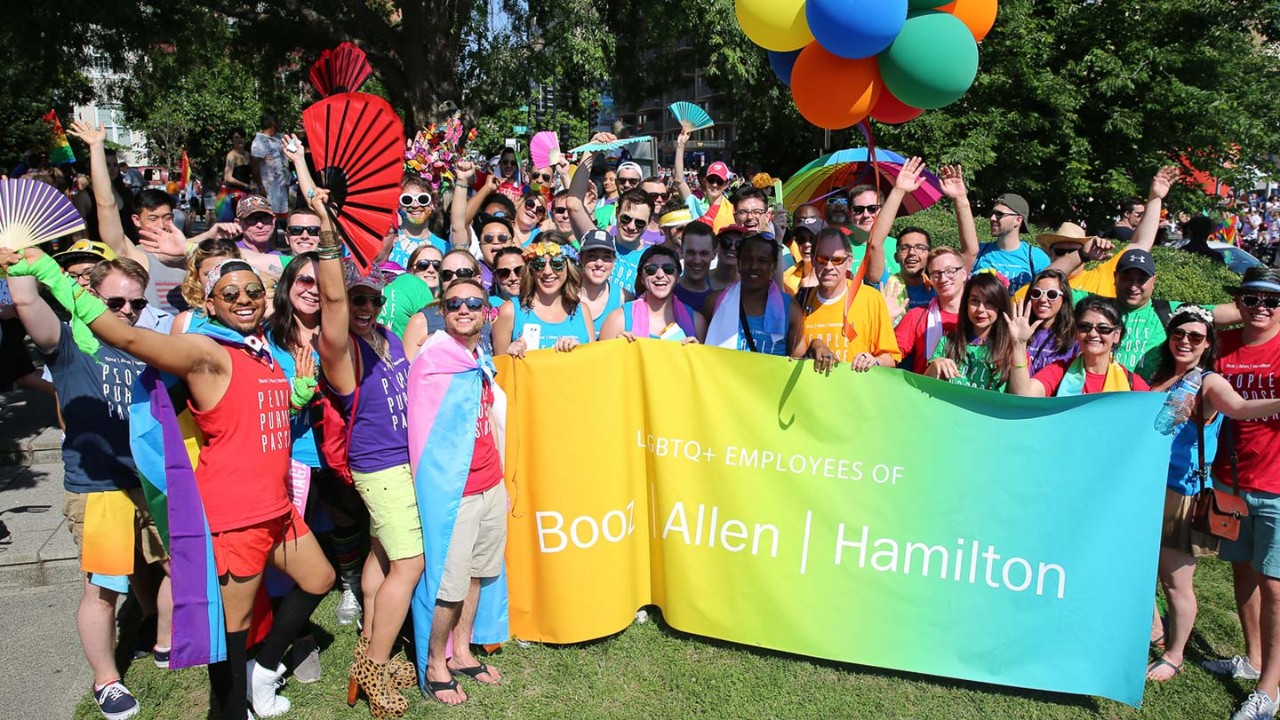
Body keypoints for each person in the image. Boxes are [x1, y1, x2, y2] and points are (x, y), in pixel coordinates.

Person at [8, 249, 334, 719]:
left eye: (252, 291)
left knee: (318, 578)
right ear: (211, 305)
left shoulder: (258, 352)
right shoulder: (206, 351)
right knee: (231, 633)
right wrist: (47, 274)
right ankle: (229, 711)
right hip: (237, 515)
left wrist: (297, 393)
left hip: (277, 507)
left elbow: (247, 419)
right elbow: (121, 334)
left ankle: (263, 672)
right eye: (230, 294)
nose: (244, 299)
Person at [6, 253, 172, 720]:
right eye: (115, 301)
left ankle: (164, 642)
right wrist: (21, 260)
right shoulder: (67, 342)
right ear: (91, 296)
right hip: (98, 486)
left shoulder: (145, 344)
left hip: (150, 480)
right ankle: (107, 681)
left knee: (179, 567)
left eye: (136, 304)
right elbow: (25, 300)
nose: (125, 311)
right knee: (102, 589)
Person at [1144, 306, 1280, 684]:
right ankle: (1154, 634)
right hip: (1144, 487)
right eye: (1178, 334)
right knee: (1143, 570)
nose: (1185, 341)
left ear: (1208, 344)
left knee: (1175, 581)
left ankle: (1174, 655)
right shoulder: (1160, 375)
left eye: (1196, 336)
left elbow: (1239, 409)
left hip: (1180, 495)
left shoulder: (1208, 382)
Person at [406, 278, 509, 706]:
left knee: (478, 574)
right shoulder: (434, 358)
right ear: (442, 311)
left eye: (472, 303)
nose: (463, 309)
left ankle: (463, 651)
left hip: (491, 483)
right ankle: (434, 662)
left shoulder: (478, 356)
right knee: (449, 583)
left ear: (486, 312)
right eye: (454, 304)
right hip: (456, 492)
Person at [1201, 268, 1280, 720]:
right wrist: (1238, 311)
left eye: (1272, 301)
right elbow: (1182, 313)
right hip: (1231, 478)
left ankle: (1269, 690)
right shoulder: (1224, 346)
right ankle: (1251, 661)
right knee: (1243, 570)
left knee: (1274, 584)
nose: (1260, 308)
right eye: (1251, 299)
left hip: (1276, 483)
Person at [791, 228, 901, 372]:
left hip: (854, 391)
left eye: (837, 260)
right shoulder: (800, 300)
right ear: (812, 260)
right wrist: (815, 345)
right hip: (811, 392)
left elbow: (891, 357)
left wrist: (874, 361)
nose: (829, 267)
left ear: (849, 262)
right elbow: (791, 358)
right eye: (822, 259)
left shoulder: (871, 299)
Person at [1006, 296, 1150, 396]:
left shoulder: (1131, 382)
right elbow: (1023, 394)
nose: (1093, 334)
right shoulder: (1060, 372)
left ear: (1116, 335)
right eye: (1085, 327)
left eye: (1103, 328)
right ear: (1076, 332)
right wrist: (1019, 345)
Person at [492, 241, 594, 357]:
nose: (547, 272)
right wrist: (510, 354)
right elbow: (498, 368)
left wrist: (578, 350)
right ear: (530, 270)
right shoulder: (510, 311)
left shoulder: (582, 310)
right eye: (538, 264)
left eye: (557, 264)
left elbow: (594, 361)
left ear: (568, 268)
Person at [705, 233, 795, 355]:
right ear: (739, 264)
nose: (754, 266)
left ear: (773, 266)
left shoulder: (790, 310)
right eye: (747, 260)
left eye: (762, 261)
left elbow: (799, 360)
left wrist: (816, 344)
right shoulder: (714, 302)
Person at [926, 272, 1016, 391]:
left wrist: (1019, 345)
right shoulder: (948, 342)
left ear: (1000, 306)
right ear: (966, 303)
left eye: (989, 302)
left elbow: (1021, 396)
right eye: (975, 301)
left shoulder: (1011, 348)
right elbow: (925, 387)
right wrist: (935, 366)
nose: (980, 309)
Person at [601, 244, 705, 343]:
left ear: (678, 276)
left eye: (668, 269)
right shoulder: (619, 320)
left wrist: (696, 353)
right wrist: (618, 349)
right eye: (651, 270)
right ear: (642, 277)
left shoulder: (697, 322)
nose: (660, 275)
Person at [403, 250, 494, 362]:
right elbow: (409, 373)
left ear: (478, 279)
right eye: (447, 275)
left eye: (463, 273)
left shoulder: (488, 311)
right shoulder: (422, 320)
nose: (455, 279)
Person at [895, 248, 969, 374]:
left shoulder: (981, 316)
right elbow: (890, 354)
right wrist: (888, 319)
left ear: (963, 273)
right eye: (936, 274)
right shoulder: (916, 316)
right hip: (924, 390)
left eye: (950, 271)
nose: (943, 279)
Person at [971, 192, 1047, 293]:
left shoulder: (1036, 258)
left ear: (1018, 220)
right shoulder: (979, 252)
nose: (992, 218)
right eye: (992, 213)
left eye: (999, 214)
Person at [1021, 269, 1078, 375]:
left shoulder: (1075, 336)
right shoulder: (1018, 331)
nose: (1042, 299)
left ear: (1064, 298)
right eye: (1036, 293)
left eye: (1052, 294)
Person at [378, 245, 440, 338]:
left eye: (437, 265)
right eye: (423, 265)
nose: (431, 270)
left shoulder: (450, 305)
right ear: (410, 270)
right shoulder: (398, 289)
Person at [387, 177, 448, 269]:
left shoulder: (445, 247)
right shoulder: (387, 241)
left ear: (433, 204)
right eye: (407, 200)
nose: (415, 205)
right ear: (398, 204)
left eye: (423, 199)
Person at [576, 229, 626, 336]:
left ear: (614, 261)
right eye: (592, 256)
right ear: (580, 258)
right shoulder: (565, 294)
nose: (599, 263)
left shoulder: (624, 299)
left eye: (606, 257)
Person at [251, 111, 290, 216]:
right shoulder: (259, 141)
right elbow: (254, 165)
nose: (278, 123)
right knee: (269, 217)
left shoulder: (279, 138)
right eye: (276, 120)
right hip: (269, 188)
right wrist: (260, 186)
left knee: (282, 218)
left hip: (281, 187)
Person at [217, 129, 252, 222]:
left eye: (241, 137)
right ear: (232, 140)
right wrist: (245, 185)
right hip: (234, 195)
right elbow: (227, 177)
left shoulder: (248, 155)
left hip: (247, 193)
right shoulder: (231, 156)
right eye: (236, 138)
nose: (239, 140)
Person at [781, 225, 817, 295]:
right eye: (801, 239)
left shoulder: (838, 277)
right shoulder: (786, 278)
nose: (806, 244)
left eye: (813, 240)